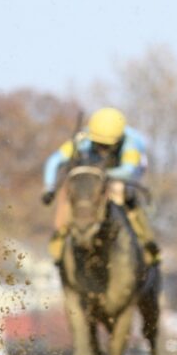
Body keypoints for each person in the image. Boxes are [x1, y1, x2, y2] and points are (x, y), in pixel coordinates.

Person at [40, 107, 161, 266]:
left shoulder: (132, 142)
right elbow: (54, 160)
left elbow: (128, 171)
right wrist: (49, 187)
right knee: (71, 191)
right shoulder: (83, 138)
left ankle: (147, 242)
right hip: (96, 173)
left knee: (121, 192)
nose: (102, 149)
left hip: (121, 173)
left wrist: (103, 174)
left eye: (107, 146)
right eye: (98, 145)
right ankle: (60, 236)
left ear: (118, 140)